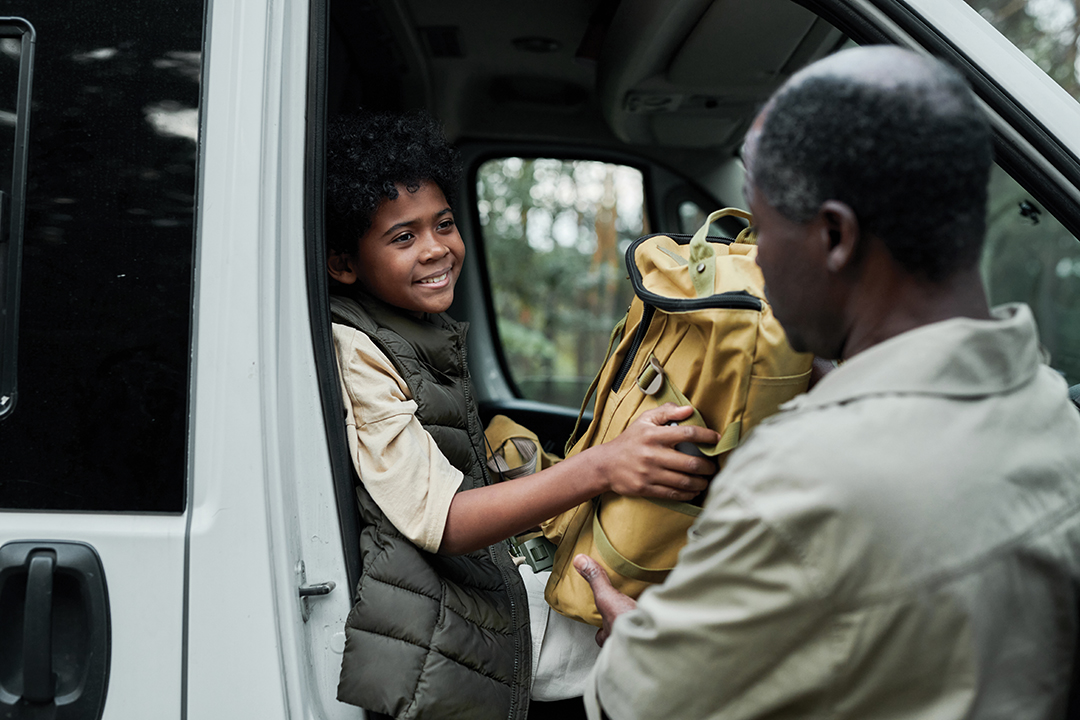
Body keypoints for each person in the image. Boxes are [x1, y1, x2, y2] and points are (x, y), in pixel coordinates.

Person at [573, 45, 1080, 719]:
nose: (756, 259)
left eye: (763, 229)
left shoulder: (801, 482)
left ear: (835, 236)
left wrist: (626, 638)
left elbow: (634, 705)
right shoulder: (1051, 409)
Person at [324, 110, 720, 720]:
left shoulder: (415, 333)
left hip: (479, 579)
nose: (435, 249)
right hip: (443, 618)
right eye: (403, 237)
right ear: (345, 265)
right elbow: (446, 521)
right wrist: (601, 469)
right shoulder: (356, 349)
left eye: (444, 225)